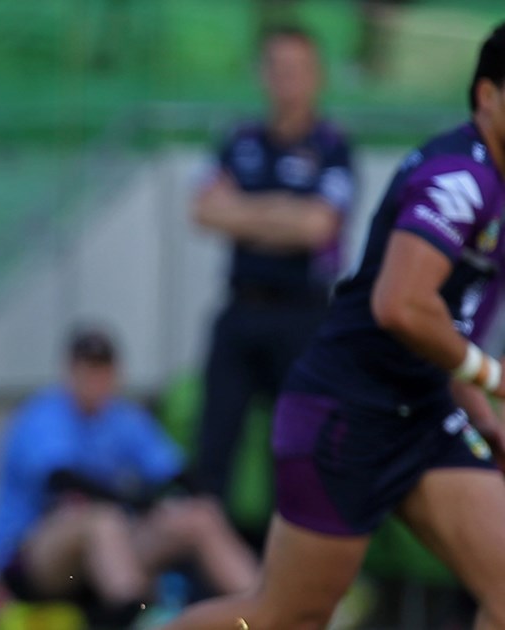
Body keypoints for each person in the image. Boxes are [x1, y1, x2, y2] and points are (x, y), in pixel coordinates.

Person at [167, 23, 505, 629]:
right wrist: (493, 378)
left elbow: (441, 320)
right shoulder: (461, 179)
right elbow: (401, 306)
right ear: (486, 95)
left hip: (421, 411)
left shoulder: (486, 180)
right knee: (287, 616)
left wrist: (481, 414)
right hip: (348, 412)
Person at [0, 327, 257, 627]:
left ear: (115, 373)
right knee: (101, 519)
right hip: (34, 561)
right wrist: (138, 500)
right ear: (70, 371)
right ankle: (139, 618)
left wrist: (186, 497)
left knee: (199, 516)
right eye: (87, 369)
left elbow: (174, 472)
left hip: (106, 558)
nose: (94, 379)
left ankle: (267, 608)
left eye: (102, 370)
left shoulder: (123, 417)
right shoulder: (43, 414)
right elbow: (61, 479)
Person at [190, 26, 355, 512]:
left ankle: (284, 579)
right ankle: (206, 576)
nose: (287, 80)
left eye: (297, 70)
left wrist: (243, 211)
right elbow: (203, 211)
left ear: (317, 76)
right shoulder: (237, 139)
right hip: (241, 307)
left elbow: (317, 227)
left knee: (295, 453)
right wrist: (283, 211)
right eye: (277, 69)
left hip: (301, 315)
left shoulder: (331, 146)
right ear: (262, 75)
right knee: (213, 449)